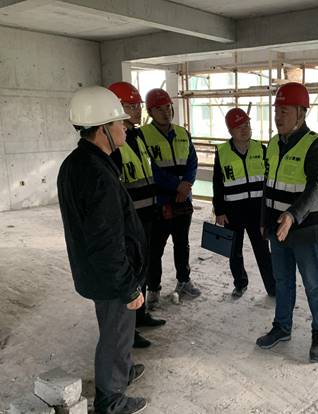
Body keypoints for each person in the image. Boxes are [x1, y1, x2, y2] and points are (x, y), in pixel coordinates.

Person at [57, 86, 148, 414]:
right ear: (102, 129)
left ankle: (122, 371)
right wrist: (128, 286)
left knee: (116, 330)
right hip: (110, 276)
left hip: (96, 271)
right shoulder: (97, 174)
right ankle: (111, 399)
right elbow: (105, 241)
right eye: (119, 122)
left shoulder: (78, 163)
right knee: (115, 334)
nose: (125, 127)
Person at [256, 82, 318, 363]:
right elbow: (268, 185)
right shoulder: (274, 144)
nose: (278, 116)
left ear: (301, 112)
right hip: (278, 230)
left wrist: (292, 215)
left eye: (284, 111)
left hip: (305, 230)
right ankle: (282, 327)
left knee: (313, 284)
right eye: (276, 110)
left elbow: (317, 186)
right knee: (283, 281)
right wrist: (264, 220)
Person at [108, 82, 167, 348]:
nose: (136, 110)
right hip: (130, 220)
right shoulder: (113, 144)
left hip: (147, 214)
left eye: (137, 105)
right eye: (130, 106)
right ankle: (128, 330)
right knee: (130, 272)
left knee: (143, 267)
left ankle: (140, 315)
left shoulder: (137, 136)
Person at [139, 88, 201, 307]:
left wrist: (187, 183)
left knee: (182, 244)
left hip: (183, 200)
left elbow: (193, 161)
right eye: (160, 109)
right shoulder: (142, 136)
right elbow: (149, 168)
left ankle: (184, 280)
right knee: (155, 248)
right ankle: (153, 289)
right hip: (159, 202)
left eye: (168, 108)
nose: (166, 113)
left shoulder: (182, 133)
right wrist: (177, 185)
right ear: (150, 112)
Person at [212, 108, 275, 298]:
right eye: (239, 126)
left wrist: (269, 209)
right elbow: (217, 183)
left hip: (257, 212)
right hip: (233, 212)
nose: (245, 129)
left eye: (247, 124)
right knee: (234, 251)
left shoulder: (261, 149)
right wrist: (219, 211)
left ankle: (272, 287)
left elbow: (269, 180)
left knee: (263, 251)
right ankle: (240, 283)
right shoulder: (222, 152)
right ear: (230, 130)